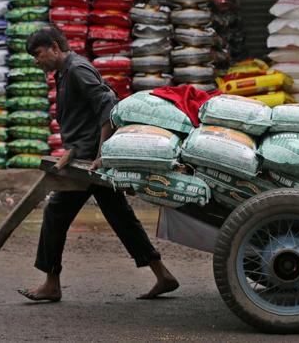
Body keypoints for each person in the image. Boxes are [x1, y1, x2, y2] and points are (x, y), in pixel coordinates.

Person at [17, 27, 179, 302]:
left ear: (55, 47)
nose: (37, 61)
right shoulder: (64, 73)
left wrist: (103, 153)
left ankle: (51, 283)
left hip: (90, 164)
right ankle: (162, 275)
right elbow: (84, 118)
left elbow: (108, 107)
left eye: (38, 54)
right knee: (120, 217)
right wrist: (72, 150)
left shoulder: (78, 70)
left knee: (55, 213)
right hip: (83, 159)